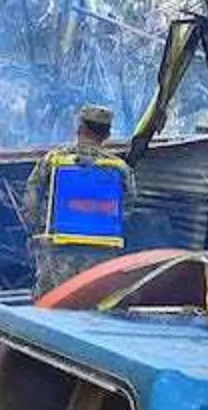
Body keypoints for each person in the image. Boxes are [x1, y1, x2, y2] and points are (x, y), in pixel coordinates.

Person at [23, 105, 137, 300]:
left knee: (50, 307)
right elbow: (127, 207)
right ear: (107, 134)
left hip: (58, 252)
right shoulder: (120, 168)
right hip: (103, 254)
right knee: (95, 309)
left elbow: (31, 200)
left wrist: (37, 231)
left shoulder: (54, 160)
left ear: (79, 129)